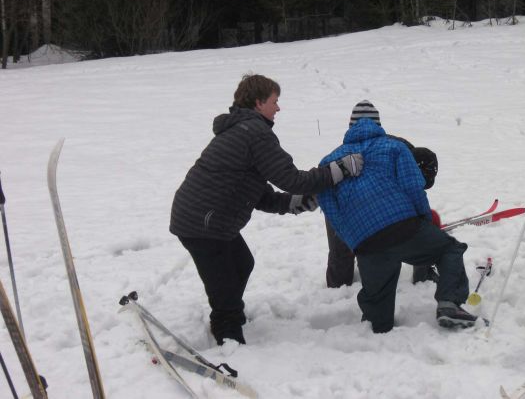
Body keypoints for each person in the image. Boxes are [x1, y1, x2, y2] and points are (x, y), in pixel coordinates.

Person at [169, 74, 363, 346]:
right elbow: (292, 179)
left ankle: (229, 314)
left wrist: (296, 203)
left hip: (208, 219)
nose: (278, 107)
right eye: (275, 101)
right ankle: (229, 339)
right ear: (259, 103)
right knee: (224, 284)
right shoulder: (255, 133)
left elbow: (259, 195)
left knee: (242, 263)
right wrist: (338, 171)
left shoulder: (244, 131)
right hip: (203, 224)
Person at [317, 101, 476, 332]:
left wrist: (355, 242)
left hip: (366, 242)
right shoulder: (393, 147)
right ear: (378, 123)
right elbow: (413, 187)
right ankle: (449, 303)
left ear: (350, 126)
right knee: (449, 249)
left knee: (377, 312)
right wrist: (424, 222)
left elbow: (330, 208)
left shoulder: (329, 161)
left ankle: (378, 329)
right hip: (404, 227)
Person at [324, 100, 440, 288]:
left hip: (346, 213)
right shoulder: (398, 148)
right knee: (421, 233)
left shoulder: (338, 153)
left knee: (342, 249)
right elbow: (415, 188)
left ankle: (338, 283)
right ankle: (423, 276)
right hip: (373, 211)